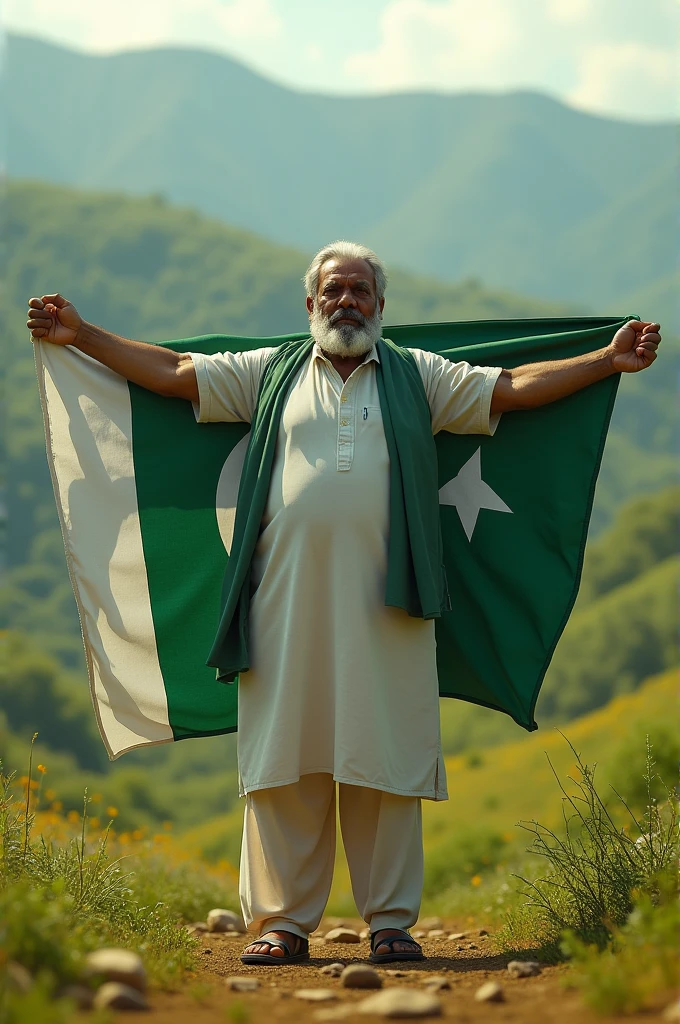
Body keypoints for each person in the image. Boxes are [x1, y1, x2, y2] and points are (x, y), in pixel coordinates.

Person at [27, 241, 661, 966]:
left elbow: (511, 387)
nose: (346, 302)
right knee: (283, 762)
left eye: (360, 290)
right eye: (333, 290)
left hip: (389, 606)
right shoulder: (270, 373)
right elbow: (174, 374)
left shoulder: (418, 377)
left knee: (383, 758)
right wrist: (83, 336)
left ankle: (390, 922)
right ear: (310, 305)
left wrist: (606, 362)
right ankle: (281, 924)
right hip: (281, 605)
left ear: (381, 307)